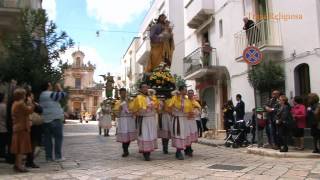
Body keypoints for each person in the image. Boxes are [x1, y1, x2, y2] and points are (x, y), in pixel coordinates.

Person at [131, 83, 159, 161]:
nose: (145, 89)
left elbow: (157, 107)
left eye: (147, 87)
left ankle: (149, 151)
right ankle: (145, 153)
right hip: (144, 119)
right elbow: (135, 109)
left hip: (151, 119)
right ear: (140, 89)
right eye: (143, 87)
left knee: (151, 135)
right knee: (145, 135)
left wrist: (155, 105)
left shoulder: (152, 97)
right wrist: (146, 108)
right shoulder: (138, 97)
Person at [39, 82, 66, 162]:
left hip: (45, 119)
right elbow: (63, 95)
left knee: (47, 139)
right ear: (48, 86)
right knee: (58, 138)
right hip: (55, 119)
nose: (51, 86)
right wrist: (59, 87)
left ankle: (48, 157)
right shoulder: (50, 94)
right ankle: (58, 157)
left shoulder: (42, 95)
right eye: (50, 85)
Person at [11, 88, 34, 172]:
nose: (25, 96)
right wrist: (30, 103)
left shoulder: (14, 103)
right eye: (24, 95)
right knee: (21, 148)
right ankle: (19, 166)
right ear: (22, 95)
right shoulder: (21, 104)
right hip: (22, 127)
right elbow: (29, 111)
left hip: (17, 127)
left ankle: (17, 165)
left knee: (18, 148)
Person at [167, 85, 193, 160]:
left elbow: (190, 110)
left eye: (186, 90)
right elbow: (169, 107)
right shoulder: (175, 98)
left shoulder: (187, 100)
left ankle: (182, 150)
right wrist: (174, 113)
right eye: (184, 90)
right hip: (178, 119)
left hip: (185, 120)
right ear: (180, 91)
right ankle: (178, 151)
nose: (186, 92)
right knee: (179, 135)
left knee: (184, 135)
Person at [114, 88, 137, 157]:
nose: (124, 94)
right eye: (122, 93)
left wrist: (131, 109)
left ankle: (127, 148)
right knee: (124, 136)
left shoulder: (130, 101)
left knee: (129, 136)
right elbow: (116, 113)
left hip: (130, 119)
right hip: (123, 120)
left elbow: (134, 109)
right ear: (120, 94)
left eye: (125, 92)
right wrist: (120, 108)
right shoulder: (118, 102)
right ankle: (125, 150)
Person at [25, 89, 42, 168]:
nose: (32, 97)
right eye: (31, 95)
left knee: (33, 143)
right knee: (32, 143)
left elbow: (40, 110)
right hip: (32, 125)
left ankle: (30, 160)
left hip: (36, 125)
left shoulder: (33, 103)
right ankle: (29, 161)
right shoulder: (29, 103)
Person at [185, 89, 201, 157]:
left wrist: (195, 112)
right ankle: (188, 149)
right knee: (187, 135)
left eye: (191, 93)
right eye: (189, 93)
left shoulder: (196, 102)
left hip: (192, 121)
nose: (190, 94)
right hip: (186, 120)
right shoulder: (185, 101)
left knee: (191, 136)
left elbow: (199, 111)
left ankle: (188, 148)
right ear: (187, 94)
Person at [0, 92, 7, 159]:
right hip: (3, 127)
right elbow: (6, 116)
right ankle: (2, 154)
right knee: (3, 142)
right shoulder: (4, 106)